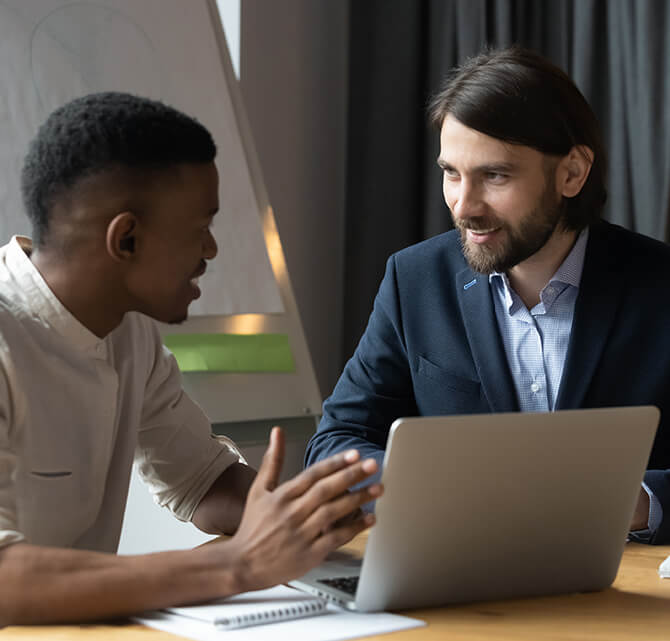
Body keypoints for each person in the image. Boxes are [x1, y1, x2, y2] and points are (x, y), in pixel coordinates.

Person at [0, 92, 383, 626]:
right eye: (200, 226)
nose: (211, 249)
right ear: (126, 238)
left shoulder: (128, 329)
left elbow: (205, 483)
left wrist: (326, 512)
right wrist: (237, 565)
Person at [305, 46, 670, 544]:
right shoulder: (413, 279)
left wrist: (637, 502)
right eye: (451, 173)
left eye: (495, 176)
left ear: (572, 173)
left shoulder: (660, 285)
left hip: (630, 592)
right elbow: (333, 443)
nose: (464, 205)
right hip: (462, 580)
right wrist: (428, 484)